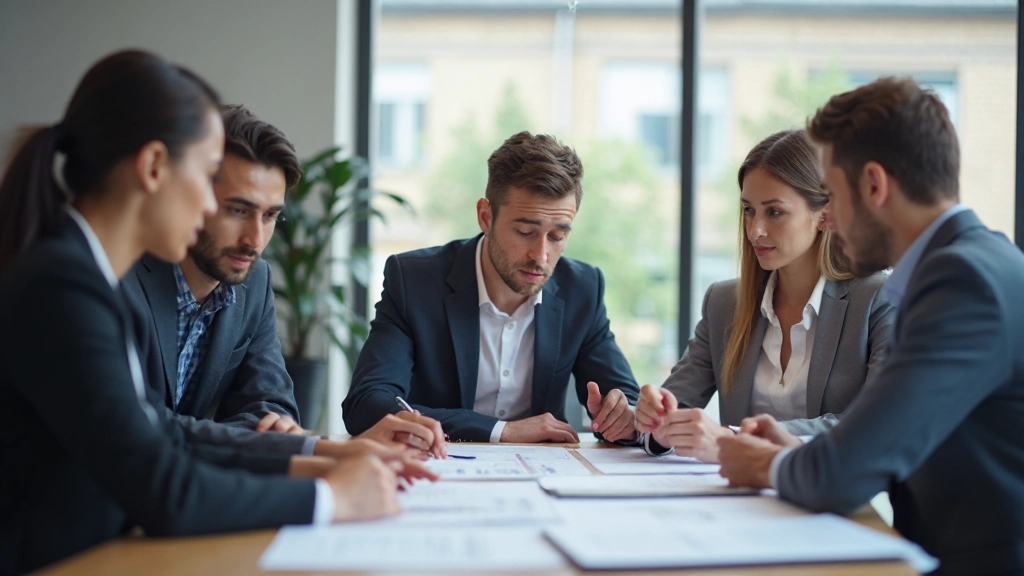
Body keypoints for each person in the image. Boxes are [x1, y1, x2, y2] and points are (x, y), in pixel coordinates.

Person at [0, 50, 432, 576]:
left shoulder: (87, 276)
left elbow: (162, 431)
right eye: (207, 177)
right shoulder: (63, 286)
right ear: (154, 166)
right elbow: (164, 487)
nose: (209, 207)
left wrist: (325, 456)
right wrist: (332, 499)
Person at [716, 77, 1024, 576]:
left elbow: (845, 472)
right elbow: (884, 437)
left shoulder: (960, 282)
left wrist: (765, 465)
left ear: (875, 186)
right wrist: (793, 448)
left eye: (833, 196)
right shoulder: (977, 262)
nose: (829, 219)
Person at [124, 104, 446, 457]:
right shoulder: (120, 272)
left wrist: (255, 433)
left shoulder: (253, 280)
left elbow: (274, 410)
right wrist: (322, 450)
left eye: (270, 216)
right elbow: (135, 426)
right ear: (191, 196)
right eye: (238, 211)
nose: (255, 241)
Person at [343, 131, 641, 443]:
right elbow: (367, 405)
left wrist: (623, 416)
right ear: (486, 217)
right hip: (438, 470)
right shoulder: (414, 282)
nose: (540, 255)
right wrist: (501, 431)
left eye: (557, 236)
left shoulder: (582, 288)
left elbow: (626, 401)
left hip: (545, 475)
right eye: (525, 231)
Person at [635, 130, 893, 463]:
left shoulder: (877, 299)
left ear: (825, 214)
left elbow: (872, 424)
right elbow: (674, 406)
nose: (755, 230)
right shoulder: (724, 302)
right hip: (740, 501)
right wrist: (656, 422)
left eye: (773, 212)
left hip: (831, 503)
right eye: (748, 211)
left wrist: (733, 439)